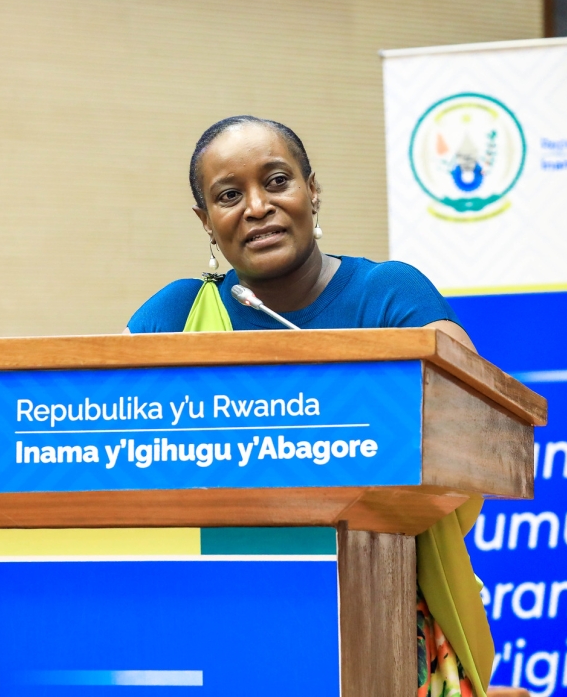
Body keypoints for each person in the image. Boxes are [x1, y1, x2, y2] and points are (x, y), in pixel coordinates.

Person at [127, 115, 496, 697]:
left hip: (381, 619)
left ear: (312, 190)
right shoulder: (174, 317)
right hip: (215, 619)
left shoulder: (387, 295)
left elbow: (476, 429)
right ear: (206, 221)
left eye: (276, 181)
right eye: (229, 195)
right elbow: (103, 443)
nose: (256, 206)